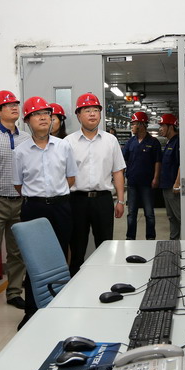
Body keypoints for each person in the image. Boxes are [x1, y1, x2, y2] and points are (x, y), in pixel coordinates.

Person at [13, 96, 77, 326]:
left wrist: (54, 195)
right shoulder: (20, 151)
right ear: (27, 120)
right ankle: (31, 311)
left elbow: (71, 178)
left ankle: (59, 307)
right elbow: (18, 184)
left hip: (61, 207)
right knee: (34, 261)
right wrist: (40, 196)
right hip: (34, 207)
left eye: (47, 114)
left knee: (59, 258)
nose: (43, 118)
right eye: (37, 114)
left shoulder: (63, 146)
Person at [64, 93, 126, 276]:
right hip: (76, 200)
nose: (92, 114)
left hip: (103, 200)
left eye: (96, 110)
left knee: (105, 246)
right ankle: (75, 285)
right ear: (78, 115)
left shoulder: (110, 140)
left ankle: (105, 281)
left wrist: (121, 200)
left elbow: (118, 171)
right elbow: (62, 175)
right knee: (77, 248)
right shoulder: (68, 142)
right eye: (87, 110)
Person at [0, 90, 30, 312]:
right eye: (8, 105)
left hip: (20, 201)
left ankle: (14, 292)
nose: (14, 108)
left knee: (17, 252)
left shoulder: (25, 137)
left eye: (16, 104)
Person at [122, 111, 161, 240]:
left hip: (147, 183)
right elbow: (123, 159)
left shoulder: (153, 142)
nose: (132, 127)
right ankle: (130, 237)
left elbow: (157, 162)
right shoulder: (130, 142)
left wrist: (156, 178)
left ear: (141, 124)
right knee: (131, 213)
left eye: (133, 124)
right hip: (132, 183)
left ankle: (150, 237)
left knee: (149, 213)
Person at [157, 113, 181, 240]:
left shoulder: (177, 142)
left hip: (173, 187)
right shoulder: (169, 142)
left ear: (171, 127)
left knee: (179, 216)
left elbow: (181, 164)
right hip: (166, 186)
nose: (160, 129)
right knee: (171, 217)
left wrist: (177, 183)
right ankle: (174, 241)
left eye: (162, 126)